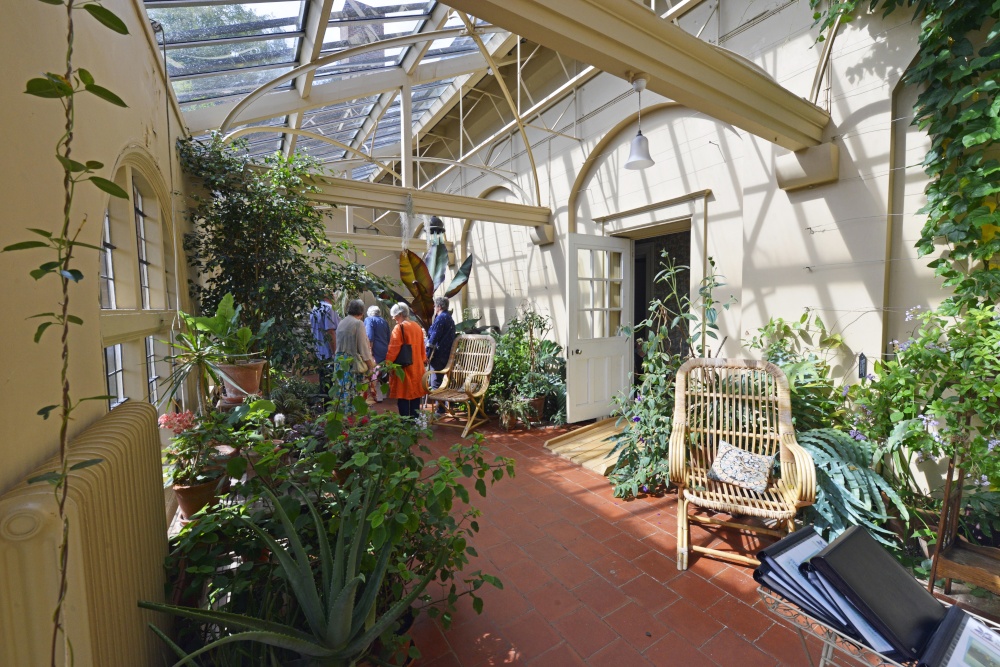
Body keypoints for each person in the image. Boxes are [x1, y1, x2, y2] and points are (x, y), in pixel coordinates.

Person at [385, 302, 427, 418]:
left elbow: (393, 349)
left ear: (400, 314)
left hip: (403, 368)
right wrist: (422, 360)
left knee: (402, 395)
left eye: (394, 316)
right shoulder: (417, 327)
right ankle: (414, 421)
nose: (393, 318)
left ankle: (405, 424)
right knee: (415, 396)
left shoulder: (399, 328)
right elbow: (422, 349)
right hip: (417, 367)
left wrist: (387, 365)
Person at [334, 299, 375, 410]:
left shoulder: (342, 322)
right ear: (361, 312)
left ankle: (343, 419)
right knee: (353, 394)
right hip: (352, 364)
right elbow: (363, 347)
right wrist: (370, 366)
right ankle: (353, 421)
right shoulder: (358, 323)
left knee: (341, 393)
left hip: (339, 362)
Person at [425, 296, 456, 414]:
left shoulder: (440, 318)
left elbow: (434, 337)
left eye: (435, 306)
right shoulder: (449, 318)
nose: (434, 308)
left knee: (436, 380)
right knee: (446, 379)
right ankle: (448, 405)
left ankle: (440, 408)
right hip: (447, 353)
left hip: (438, 354)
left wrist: (427, 354)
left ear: (439, 307)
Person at [309, 293, 340, 394]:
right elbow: (330, 332)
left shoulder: (315, 308)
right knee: (330, 381)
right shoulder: (329, 308)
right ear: (330, 296)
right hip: (328, 350)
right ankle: (329, 406)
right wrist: (335, 352)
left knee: (323, 379)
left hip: (319, 349)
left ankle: (323, 405)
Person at [364, 305, 390, 402]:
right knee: (382, 372)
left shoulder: (369, 320)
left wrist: (369, 351)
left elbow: (370, 337)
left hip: (375, 350)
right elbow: (388, 337)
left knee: (374, 372)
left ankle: (376, 396)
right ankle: (382, 395)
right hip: (384, 349)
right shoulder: (384, 321)